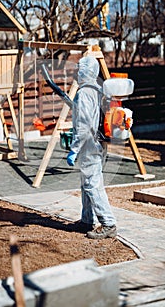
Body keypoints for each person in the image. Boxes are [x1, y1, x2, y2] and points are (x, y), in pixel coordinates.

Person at [67, 55, 117, 239]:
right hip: (98, 142)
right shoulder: (98, 89)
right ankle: (87, 219)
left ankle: (108, 223)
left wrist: (74, 148)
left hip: (89, 144)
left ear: (84, 71)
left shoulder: (84, 93)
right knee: (87, 183)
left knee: (92, 184)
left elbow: (83, 124)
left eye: (79, 69)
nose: (77, 72)